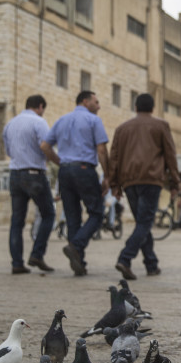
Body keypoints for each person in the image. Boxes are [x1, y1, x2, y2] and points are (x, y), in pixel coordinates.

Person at [108, 93, 180, 280]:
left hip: (129, 181)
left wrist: (114, 184)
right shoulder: (160, 126)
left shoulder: (122, 128)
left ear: (135, 107)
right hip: (151, 179)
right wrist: (174, 183)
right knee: (145, 222)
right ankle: (125, 258)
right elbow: (170, 155)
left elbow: (113, 158)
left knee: (142, 222)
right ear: (153, 108)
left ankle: (151, 264)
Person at [40, 90, 109, 276]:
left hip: (65, 171)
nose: (99, 105)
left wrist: (60, 162)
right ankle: (76, 246)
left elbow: (45, 146)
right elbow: (101, 149)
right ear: (85, 102)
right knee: (97, 212)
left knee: (72, 217)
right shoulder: (93, 120)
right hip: (84, 169)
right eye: (96, 101)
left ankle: (79, 262)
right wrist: (107, 176)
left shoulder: (62, 120)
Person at [4, 95, 55, 274]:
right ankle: (37, 254)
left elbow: (8, 150)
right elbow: (45, 146)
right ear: (40, 106)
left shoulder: (10, 123)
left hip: (15, 174)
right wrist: (57, 161)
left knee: (17, 220)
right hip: (34, 174)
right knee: (48, 213)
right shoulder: (39, 122)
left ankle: (17, 263)